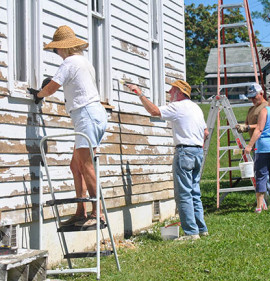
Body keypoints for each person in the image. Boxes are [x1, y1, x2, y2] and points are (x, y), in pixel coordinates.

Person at [28, 25, 108, 227]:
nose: (56, 53)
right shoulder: (83, 62)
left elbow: (53, 87)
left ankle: (97, 214)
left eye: (56, 50)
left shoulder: (69, 62)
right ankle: (81, 211)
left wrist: (38, 95)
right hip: (90, 114)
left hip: (86, 115)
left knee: (86, 165)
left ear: (63, 48)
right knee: (75, 165)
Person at [127, 80, 209, 240]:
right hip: (198, 151)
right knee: (194, 192)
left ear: (179, 92)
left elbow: (154, 111)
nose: (169, 93)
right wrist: (197, 146)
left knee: (184, 193)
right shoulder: (196, 108)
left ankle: (191, 233)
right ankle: (201, 229)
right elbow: (205, 133)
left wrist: (139, 93)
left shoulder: (178, 106)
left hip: (185, 151)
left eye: (172, 91)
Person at [236, 83, 270, 207]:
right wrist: (242, 126)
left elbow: (264, 126)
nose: (252, 99)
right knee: (262, 174)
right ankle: (267, 201)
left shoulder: (266, 107)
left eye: (254, 96)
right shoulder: (252, 109)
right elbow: (248, 123)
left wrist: (248, 127)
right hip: (257, 144)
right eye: (250, 97)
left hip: (265, 144)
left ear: (261, 94)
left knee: (269, 174)